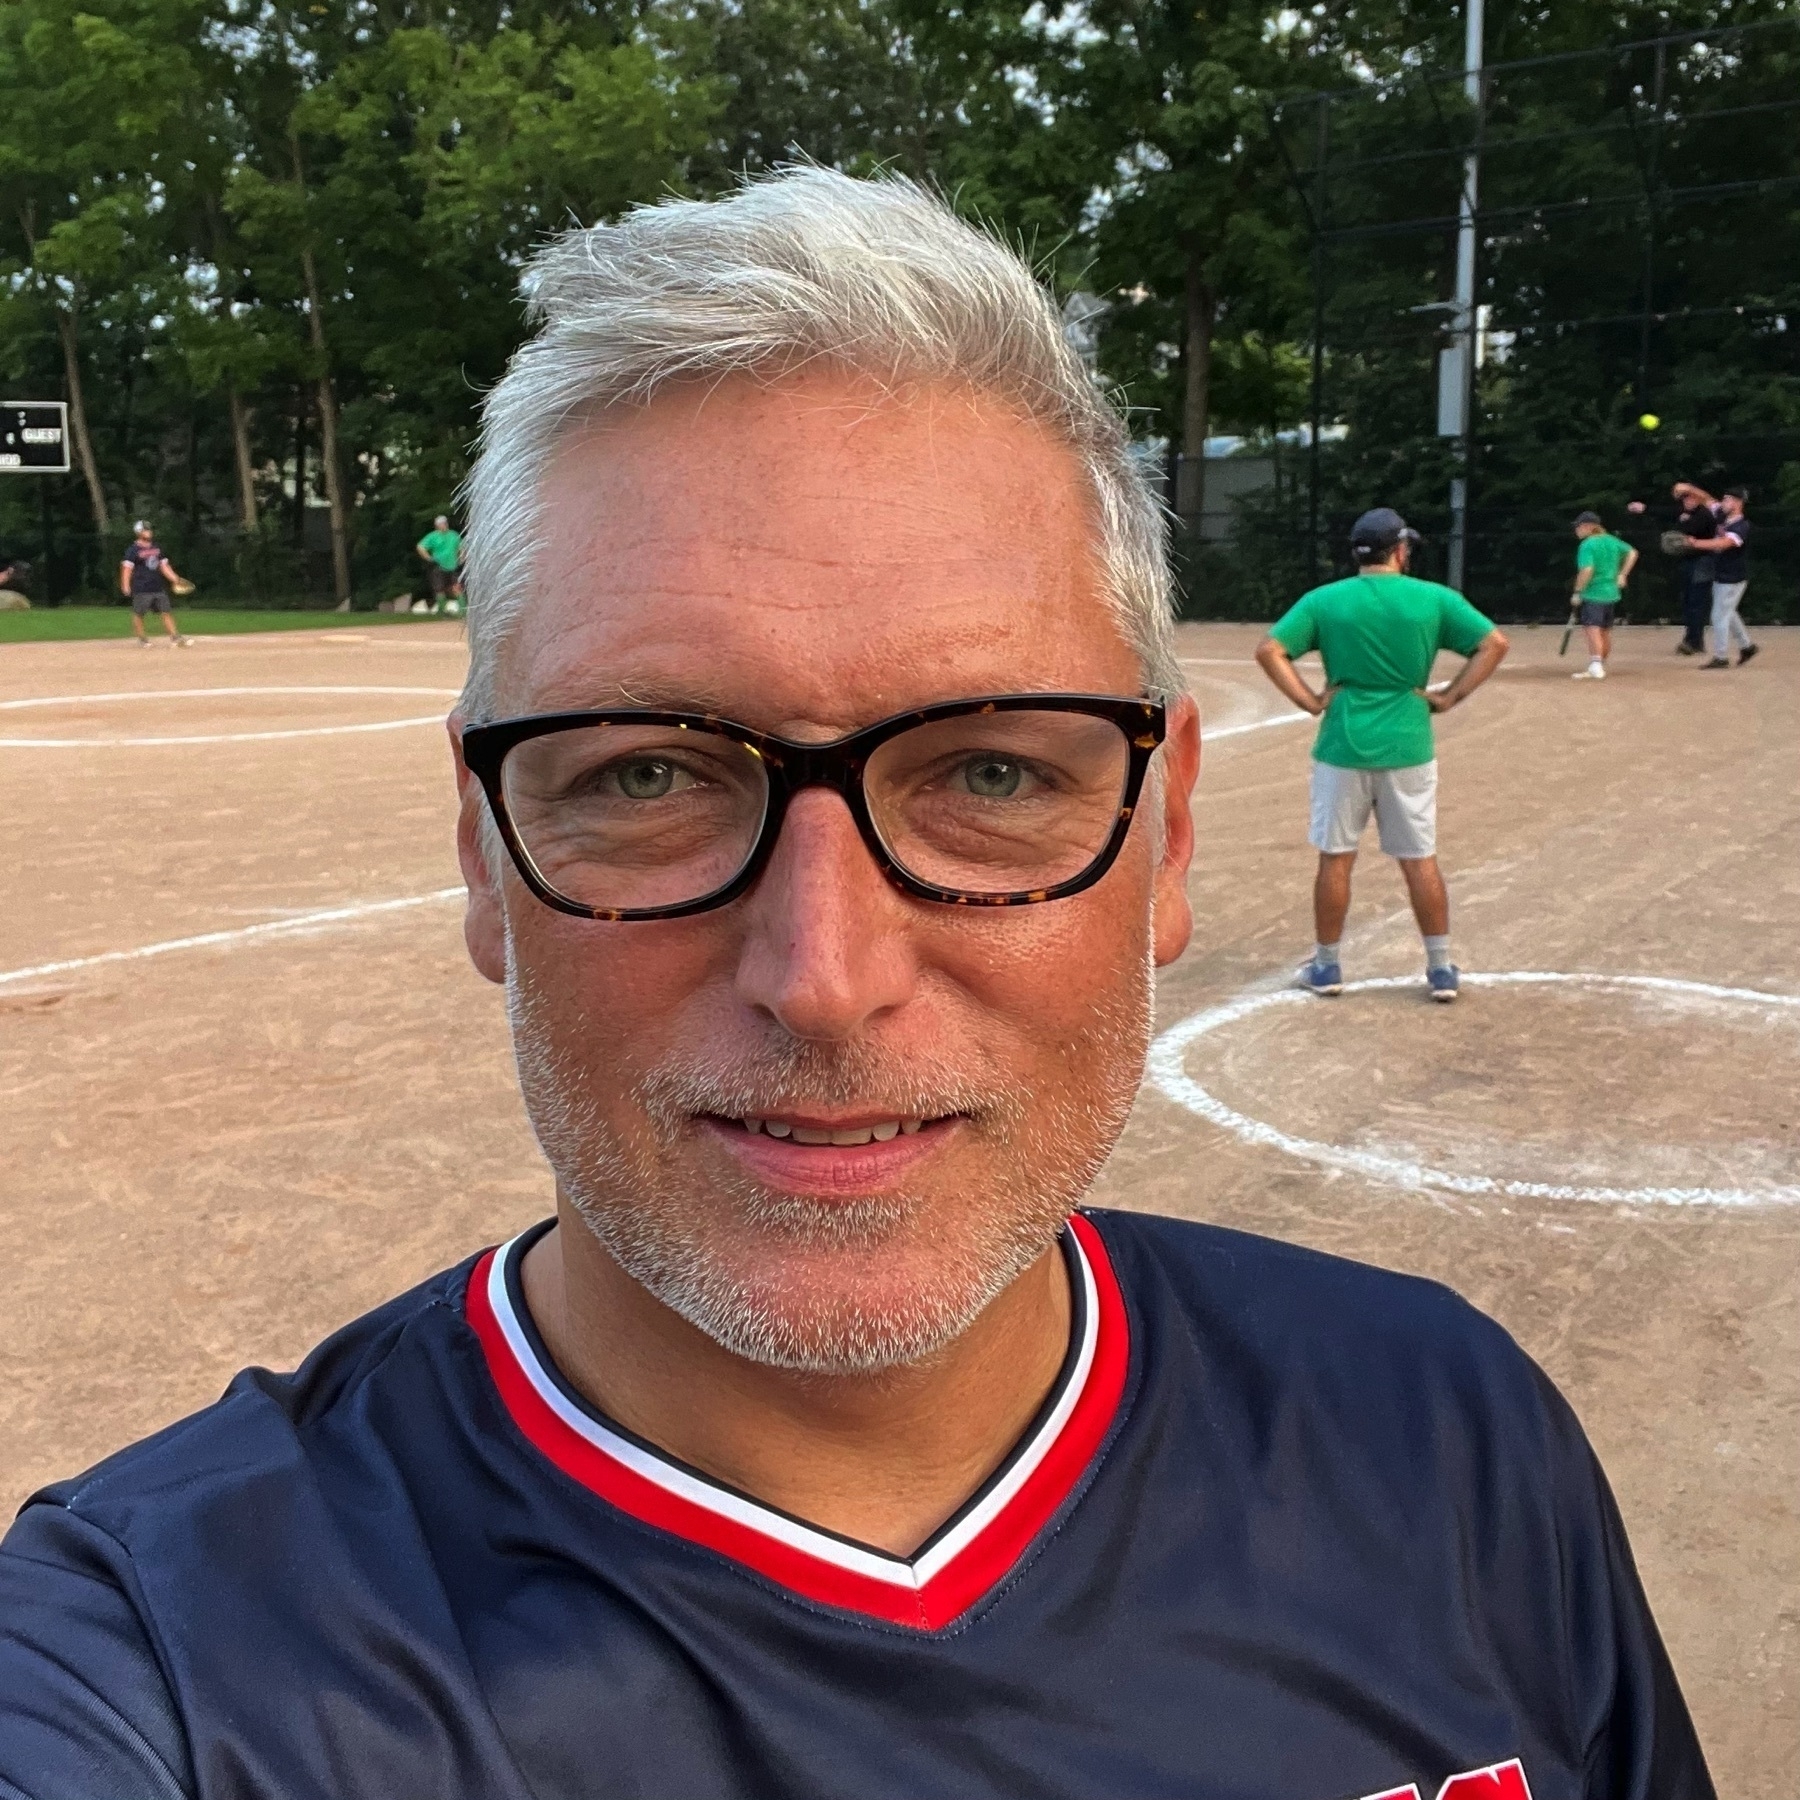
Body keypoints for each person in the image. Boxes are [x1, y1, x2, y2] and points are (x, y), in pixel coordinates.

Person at [0, 171, 1711, 1800]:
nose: (823, 977)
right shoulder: (163, 1654)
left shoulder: (1448, 1437)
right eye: (649, 778)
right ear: (481, 849)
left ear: (1170, 834)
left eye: (988, 775)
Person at [1255, 507, 1510, 1004]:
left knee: (1336, 857)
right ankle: (1439, 968)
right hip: (1408, 741)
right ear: (1400, 550)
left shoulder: (1326, 600)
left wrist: (1310, 702)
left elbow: (1270, 650)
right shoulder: (1431, 598)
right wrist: (1450, 696)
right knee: (1419, 859)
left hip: (1343, 743)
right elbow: (1493, 643)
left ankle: (1327, 966)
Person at [1680, 484, 1758, 669]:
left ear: (1738, 503)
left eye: (1728, 499)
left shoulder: (1741, 526)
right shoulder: (1722, 516)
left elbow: (1724, 543)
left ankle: (1721, 657)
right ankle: (1747, 647)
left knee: (1718, 616)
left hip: (1733, 578)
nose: (1723, 502)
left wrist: (1695, 543)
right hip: (1722, 574)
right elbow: (1707, 499)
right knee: (1728, 613)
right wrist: (1689, 488)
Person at [1568, 510, 1636, 681]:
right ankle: (1598, 664)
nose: (1576, 529)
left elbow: (1587, 570)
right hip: (1611, 593)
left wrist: (1577, 591)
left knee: (1592, 630)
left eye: (1579, 526)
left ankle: (1596, 665)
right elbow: (1632, 553)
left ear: (1588, 527)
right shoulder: (1611, 540)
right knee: (1605, 631)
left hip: (1593, 593)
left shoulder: (1587, 545)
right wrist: (1623, 574)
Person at [120, 520, 189, 646]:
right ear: (138, 532)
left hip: (157, 586)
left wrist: (175, 578)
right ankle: (142, 639)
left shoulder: (156, 547)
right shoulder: (133, 550)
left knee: (166, 612)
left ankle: (175, 637)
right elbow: (127, 569)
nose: (149, 532)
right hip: (141, 588)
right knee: (139, 614)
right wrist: (125, 585)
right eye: (145, 530)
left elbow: (164, 566)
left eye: (149, 529)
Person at [1668, 483, 1717, 656]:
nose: (1687, 501)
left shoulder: (1704, 513)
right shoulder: (1688, 514)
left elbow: (1691, 534)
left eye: (1690, 497)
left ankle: (1694, 641)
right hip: (1692, 561)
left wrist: (1685, 523)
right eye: (1685, 499)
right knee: (1689, 602)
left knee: (1696, 603)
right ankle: (1693, 640)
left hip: (1703, 562)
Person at [416, 512, 464, 611]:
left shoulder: (453, 535)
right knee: (439, 589)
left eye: (445, 523)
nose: (444, 525)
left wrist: (461, 559)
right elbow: (420, 547)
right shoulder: (432, 536)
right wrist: (428, 558)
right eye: (441, 523)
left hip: (453, 565)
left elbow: (462, 548)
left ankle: (463, 610)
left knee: (457, 587)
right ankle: (443, 611)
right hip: (438, 565)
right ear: (437, 525)